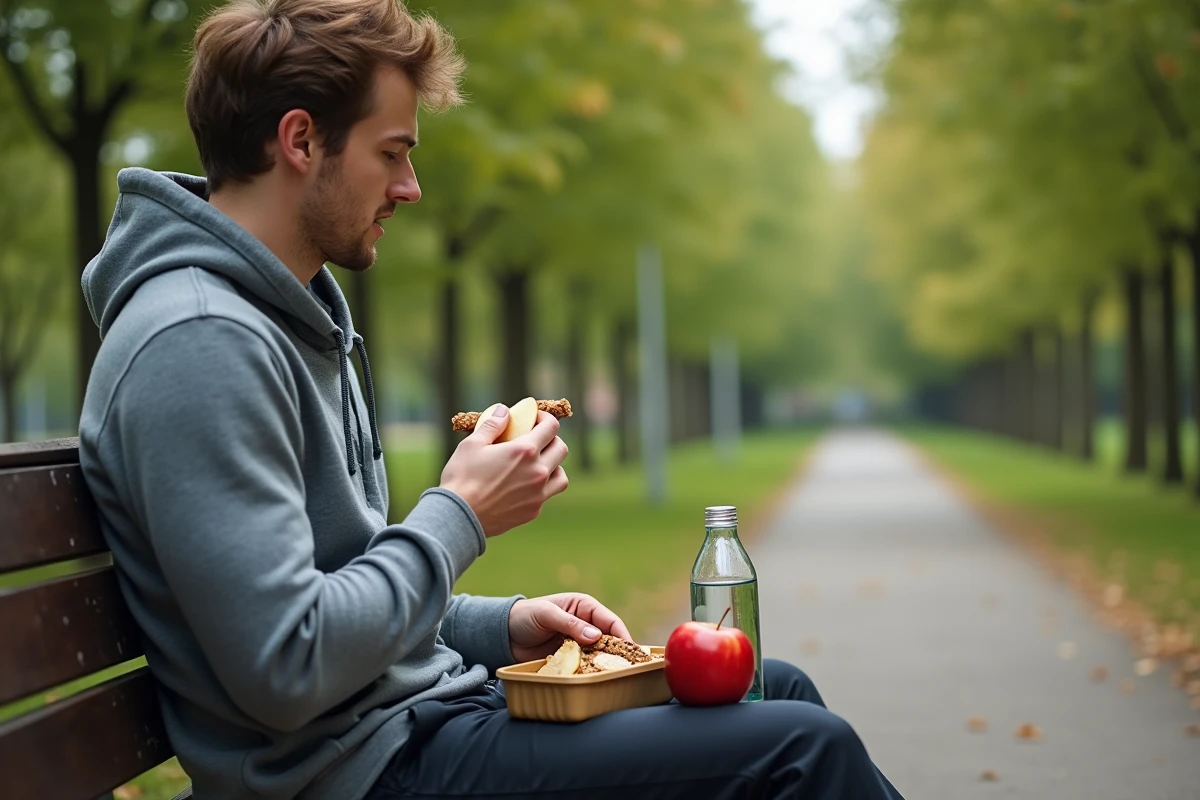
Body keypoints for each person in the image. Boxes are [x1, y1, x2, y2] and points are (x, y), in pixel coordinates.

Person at [77, 1, 905, 798]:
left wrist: (498, 625)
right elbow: (288, 665)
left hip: (412, 725)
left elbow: (336, 589)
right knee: (800, 749)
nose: (410, 187)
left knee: (774, 689)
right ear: (300, 140)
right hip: (357, 772)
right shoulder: (200, 342)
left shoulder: (286, 318)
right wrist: (460, 513)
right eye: (392, 153)